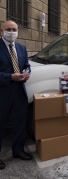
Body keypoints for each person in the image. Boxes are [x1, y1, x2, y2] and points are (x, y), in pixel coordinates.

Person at [0, 20, 32, 170]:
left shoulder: (22, 48)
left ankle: (18, 150)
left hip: (19, 91)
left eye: (14, 29)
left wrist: (27, 73)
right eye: (8, 29)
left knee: (20, 122)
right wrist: (10, 77)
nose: (11, 32)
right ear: (2, 31)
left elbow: (26, 65)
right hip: (3, 91)